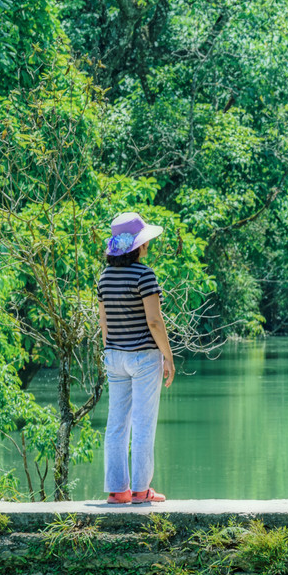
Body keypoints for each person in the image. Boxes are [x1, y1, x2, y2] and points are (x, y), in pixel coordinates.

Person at [98, 212, 175, 505]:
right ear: (138, 246)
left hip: (114, 356)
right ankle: (142, 490)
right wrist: (167, 357)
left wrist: (111, 352)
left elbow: (104, 322)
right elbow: (154, 322)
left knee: (116, 425)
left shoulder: (104, 277)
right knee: (143, 425)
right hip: (143, 357)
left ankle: (118, 491)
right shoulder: (144, 275)